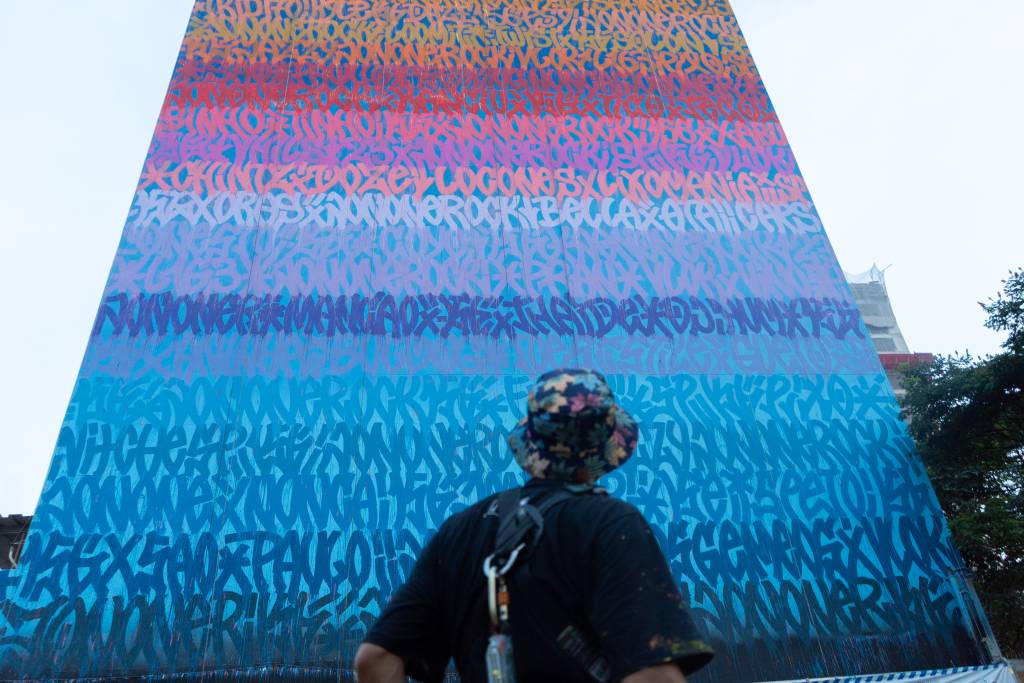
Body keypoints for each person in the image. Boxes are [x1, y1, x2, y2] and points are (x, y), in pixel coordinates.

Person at [355, 368, 714, 683]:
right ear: (604, 447)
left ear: (531, 444)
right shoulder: (612, 526)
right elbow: (652, 676)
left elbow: (374, 661)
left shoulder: (460, 530)